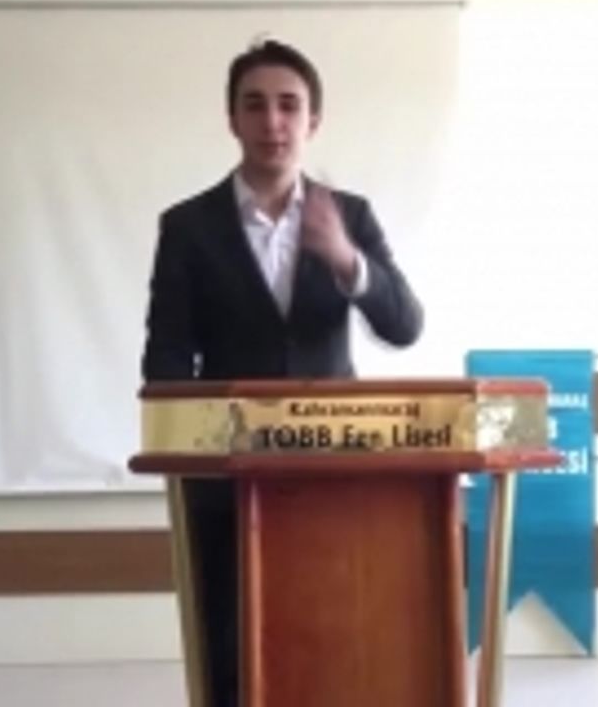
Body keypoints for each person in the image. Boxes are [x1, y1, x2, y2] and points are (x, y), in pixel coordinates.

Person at [140, 38, 423, 707]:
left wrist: (348, 261)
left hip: (335, 472)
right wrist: (187, 448)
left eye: (289, 106)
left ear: (313, 121)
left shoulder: (349, 216)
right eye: (256, 105)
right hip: (227, 478)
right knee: (229, 644)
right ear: (232, 118)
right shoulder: (187, 227)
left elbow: (404, 325)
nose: (273, 122)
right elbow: (167, 354)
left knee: (333, 634)